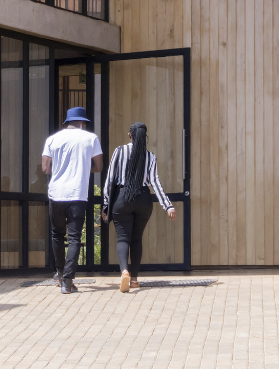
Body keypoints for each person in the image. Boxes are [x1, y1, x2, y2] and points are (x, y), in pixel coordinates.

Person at [101, 121, 177, 293]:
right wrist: (168, 206)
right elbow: (155, 182)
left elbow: (110, 179)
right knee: (136, 239)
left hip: (122, 198)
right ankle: (134, 280)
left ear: (130, 135)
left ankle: (124, 272)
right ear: (145, 137)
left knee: (122, 238)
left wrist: (106, 204)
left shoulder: (119, 151)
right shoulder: (150, 156)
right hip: (143, 199)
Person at [39, 105, 103, 294]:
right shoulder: (91, 138)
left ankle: (59, 274)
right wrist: (83, 167)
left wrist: (59, 170)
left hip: (56, 193)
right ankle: (68, 281)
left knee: (57, 235)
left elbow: (45, 168)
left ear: (67, 122)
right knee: (74, 237)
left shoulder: (52, 139)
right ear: (83, 122)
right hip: (77, 194)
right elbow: (98, 166)